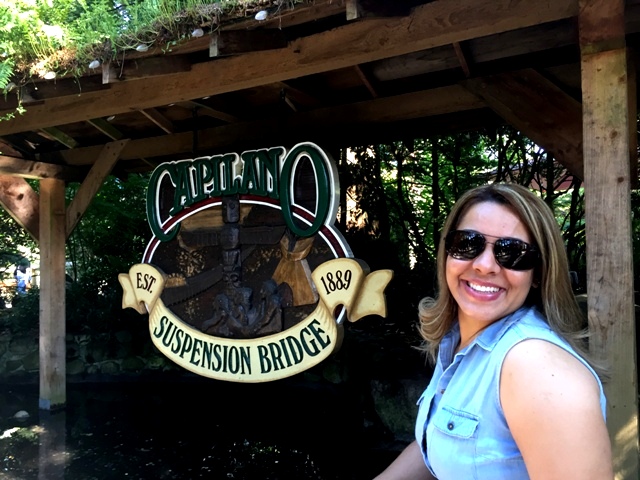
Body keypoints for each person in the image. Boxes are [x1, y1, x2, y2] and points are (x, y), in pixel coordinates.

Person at [374, 183, 613, 480]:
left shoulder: (535, 367)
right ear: (447, 254)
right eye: (467, 243)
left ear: (538, 273)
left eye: (512, 252)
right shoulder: (462, 341)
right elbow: (438, 445)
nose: (485, 265)